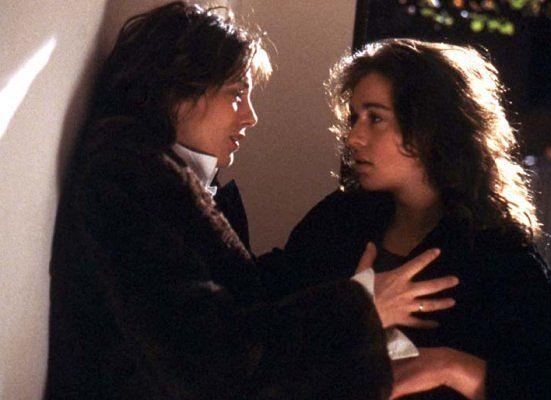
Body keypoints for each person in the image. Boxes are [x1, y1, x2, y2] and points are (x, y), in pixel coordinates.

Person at [45, 4, 459, 399]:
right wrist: (361, 306)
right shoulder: (130, 181)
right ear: (179, 91)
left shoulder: (165, 179)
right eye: (236, 93)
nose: (250, 116)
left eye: (376, 117)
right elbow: (208, 361)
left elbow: (250, 307)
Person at [283, 38, 551, 399]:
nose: (354, 137)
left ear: (429, 128)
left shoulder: (493, 249)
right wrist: (352, 310)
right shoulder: (337, 219)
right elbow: (266, 328)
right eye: (354, 118)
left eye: (375, 118)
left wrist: (450, 366)